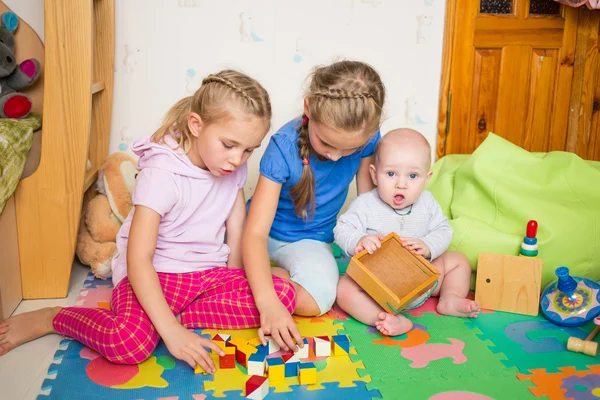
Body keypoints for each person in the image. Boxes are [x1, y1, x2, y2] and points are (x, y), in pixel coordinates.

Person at [0, 70, 296, 374]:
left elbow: (236, 232)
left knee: (284, 294)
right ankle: (54, 318)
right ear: (196, 125)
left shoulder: (233, 169)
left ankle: (167, 317)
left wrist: (234, 285)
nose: (237, 159)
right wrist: (170, 332)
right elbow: (138, 258)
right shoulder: (162, 174)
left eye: (249, 150)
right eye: (229, 145)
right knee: (129, 344)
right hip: (153, 274)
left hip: (205, 276)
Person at [242, 60, 386, 351]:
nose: (336, 157)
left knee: (318, 299)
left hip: (311, 242)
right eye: (327, 144)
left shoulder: (368, 136)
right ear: (308, 108)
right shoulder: (282, 147)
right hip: (264, 236)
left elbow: (368, 205)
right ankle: (257, 277)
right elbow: (255, 233)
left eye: (350, 150)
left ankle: (264, 277)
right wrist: (269, 305)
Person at [334, 128, 480, 336]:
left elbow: (443, 230)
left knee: (458, 260)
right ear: (375, 175)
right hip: (376, 289)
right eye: (391, 174)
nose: (401, 184)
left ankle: (450, 299)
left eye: (413, 175)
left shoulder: (427, 203)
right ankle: (386, 318)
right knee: (344, 290)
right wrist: (359, 240)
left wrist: (429, 246)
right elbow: (342, 228)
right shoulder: (366, 204)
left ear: (426, 179)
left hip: (421, 283)